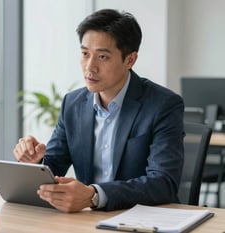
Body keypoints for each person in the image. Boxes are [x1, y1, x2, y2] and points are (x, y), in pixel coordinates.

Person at [14, 9, 184, 213]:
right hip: (87, 220)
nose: (90, 67)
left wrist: (94, 195)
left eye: (102, 56)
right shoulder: (73, 103)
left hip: (143, 218)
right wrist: (36, 162)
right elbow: (54, 166)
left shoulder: (163, 104)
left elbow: (163, 183)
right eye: (85, 54)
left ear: (130, 60)